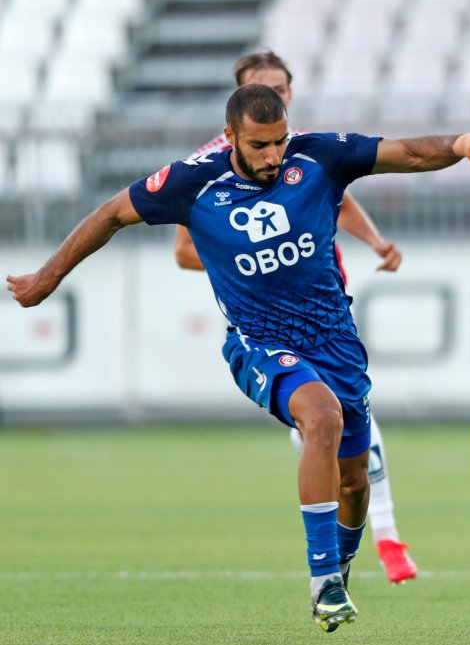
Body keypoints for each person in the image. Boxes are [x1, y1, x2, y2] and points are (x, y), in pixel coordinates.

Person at [7, 83, 470, 632]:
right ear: (232, 139)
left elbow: (406, 153)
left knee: (355, 482)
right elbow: (111, 214)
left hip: (335, 342)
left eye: (279, 142)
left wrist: (457, 144)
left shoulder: (318, 155)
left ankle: (338, 566)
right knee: (321, 417)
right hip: (258, 342)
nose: (273, 156)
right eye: (260, 145)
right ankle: (324, 583)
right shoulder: (194, 182)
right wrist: (46, 277)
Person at [174, 51, 416, 585]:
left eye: (281, 88)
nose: (274, 97)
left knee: (351, 447)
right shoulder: (203, 172)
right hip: (264, 325)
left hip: (330, 319)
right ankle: (373, 546)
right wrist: (241, 256)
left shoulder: (303, 153)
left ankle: (365, 544)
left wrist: (376, 242)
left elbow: (344, 199)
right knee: (326, 425)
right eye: (262, 88)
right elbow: (183, 250)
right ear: (237, 105)